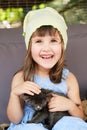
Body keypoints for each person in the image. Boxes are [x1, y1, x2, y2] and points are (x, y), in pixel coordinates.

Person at [7, 7, 87, 130]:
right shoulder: (21, 77)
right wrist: (14, 94)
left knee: (73, 125)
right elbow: (15, 119)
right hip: (31, 124)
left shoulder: (69, 79)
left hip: (59, 121)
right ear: (29, 47)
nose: (46, 48)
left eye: (53, 41)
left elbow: (80, 117)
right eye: (39, 41)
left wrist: (70, 106)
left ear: (62, 46)